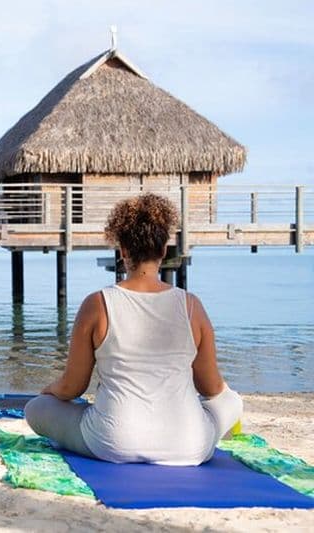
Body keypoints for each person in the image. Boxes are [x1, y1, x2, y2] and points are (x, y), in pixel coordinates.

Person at [25, 193, 243, 465]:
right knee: (232, 401)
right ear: (164, 249)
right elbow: (211, 387)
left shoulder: (97, 304)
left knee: (36, 408)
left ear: (123, 251)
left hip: (113, 441)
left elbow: (72, 387)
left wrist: (49, 391)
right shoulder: (191, 307)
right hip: (189, 446)